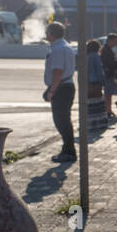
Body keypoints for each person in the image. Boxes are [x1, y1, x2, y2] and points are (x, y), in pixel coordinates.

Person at [43, 21, 77, 162]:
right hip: (67, 85)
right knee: (65, 120)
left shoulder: (57, 49)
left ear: (51, 34)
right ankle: (67, 149)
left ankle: (69, 151)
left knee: (61, 121)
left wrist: (52, 90)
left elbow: (57, 72)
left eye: (47, 33)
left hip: (61, 87)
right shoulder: (67, 46)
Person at [85, 39, 107, 133]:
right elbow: (99, 71)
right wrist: (104, 82)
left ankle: (90, 123)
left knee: (90, 105)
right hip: (95, 82)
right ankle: (99, 123)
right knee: (98, 105)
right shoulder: (96, 56)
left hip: (87, 84)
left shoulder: (86, 56)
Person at [100, 33, 117, 121]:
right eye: (115, 41)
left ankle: (108, 110)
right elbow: (106, 62)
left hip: (110, 73)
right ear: (110, 41)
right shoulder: (105, 50)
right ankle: (107, 111)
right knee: (108, 94)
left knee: (109, 94)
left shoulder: (108, 49)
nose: (116, 43)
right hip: (108, 74)